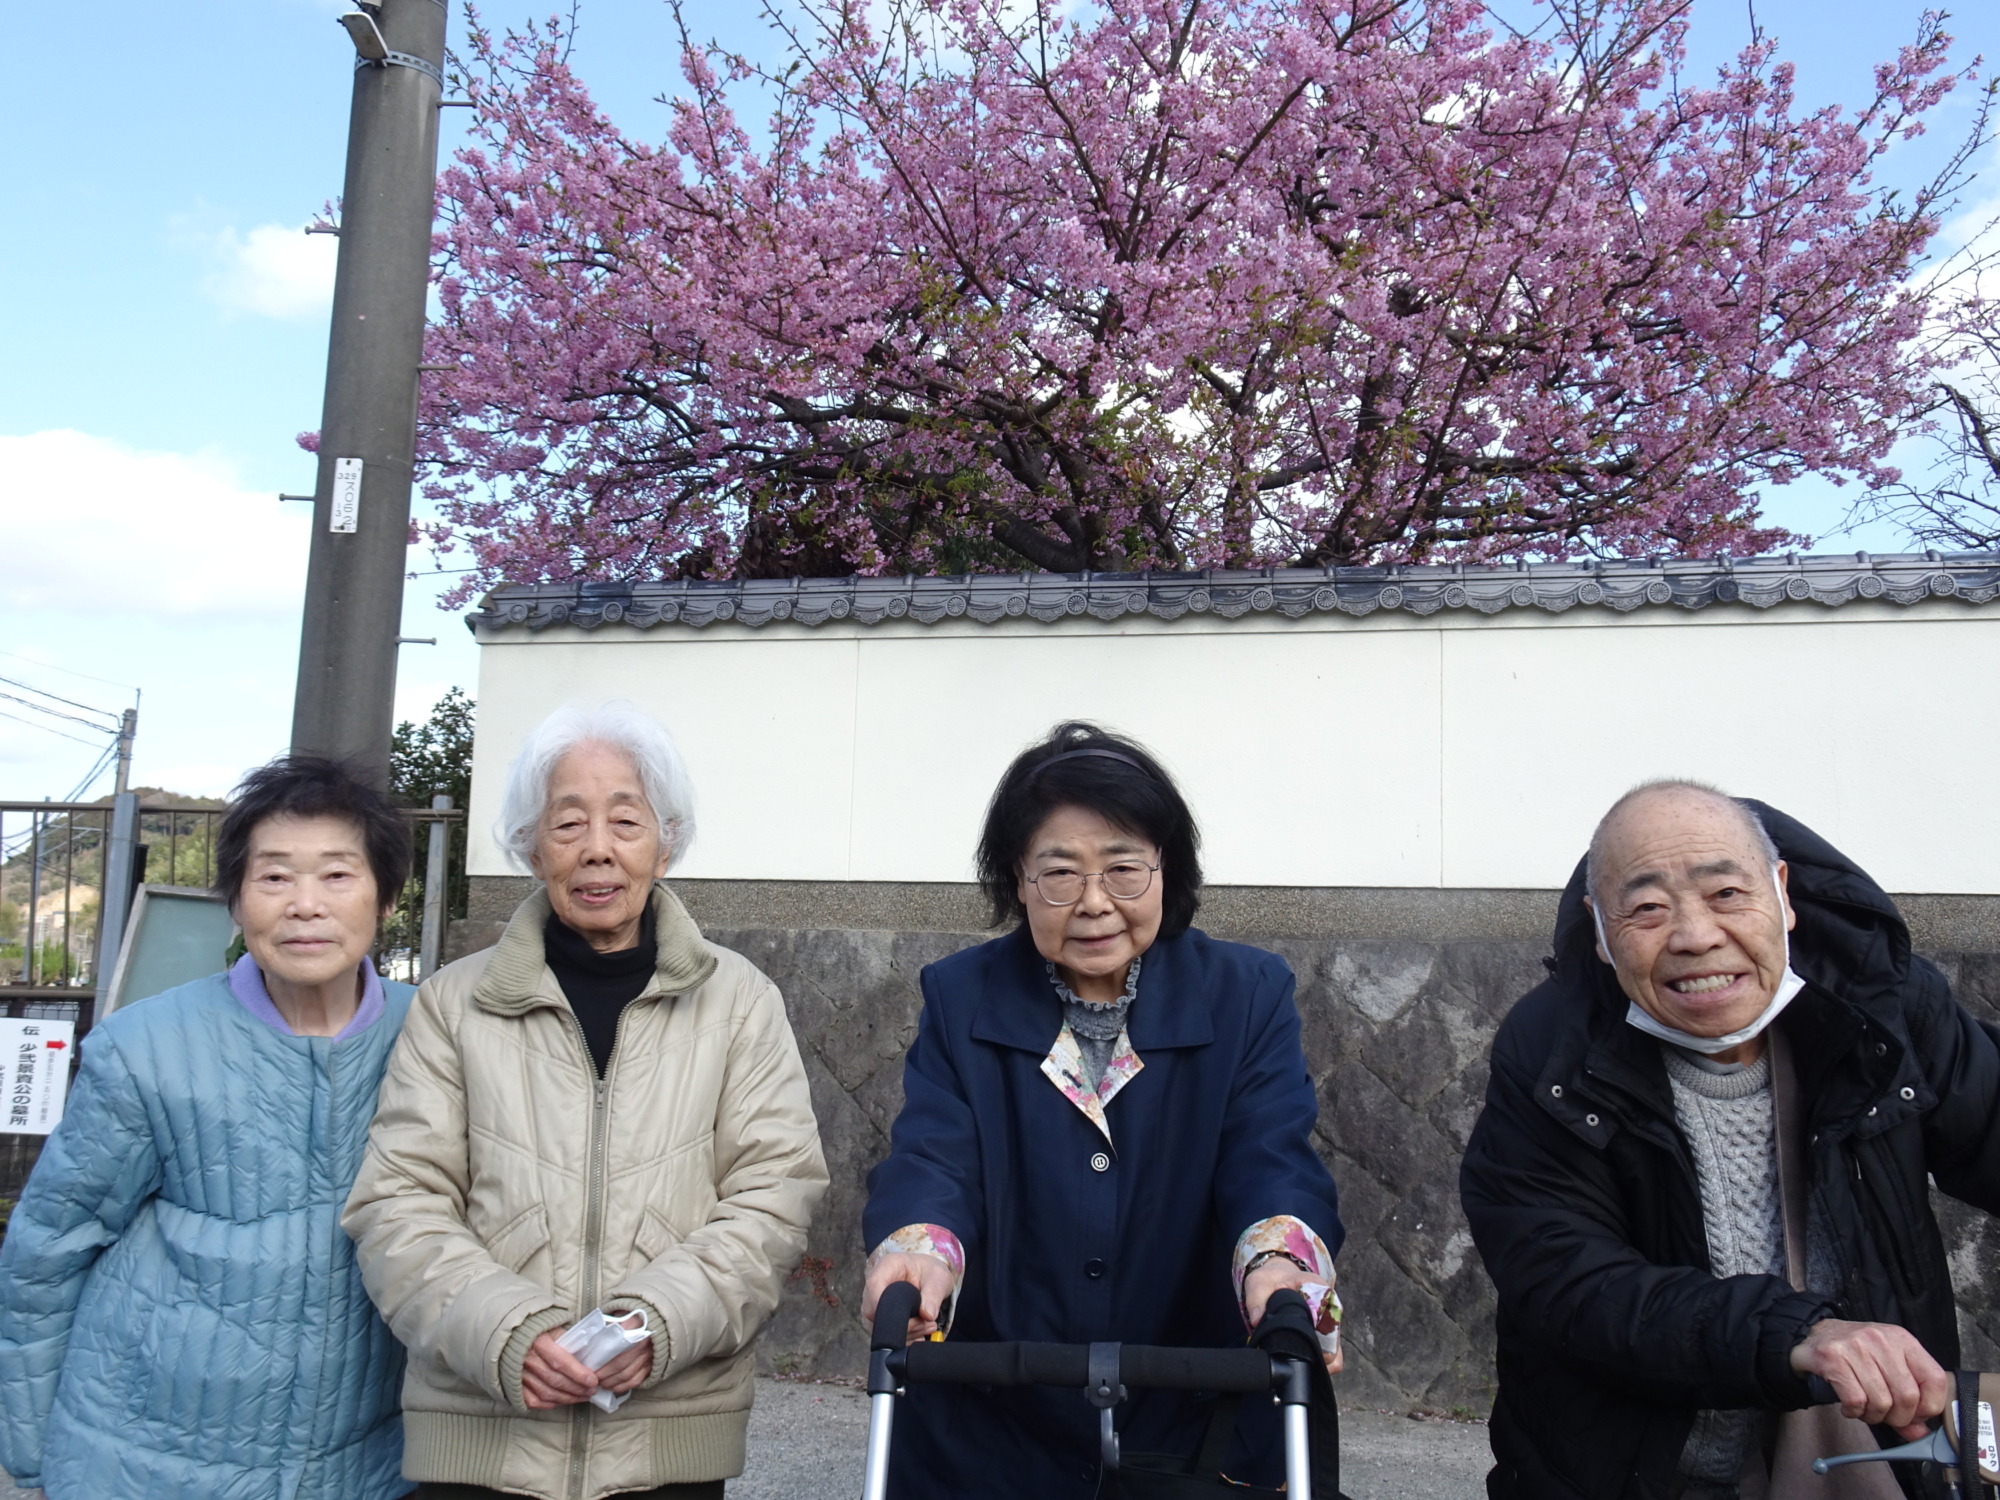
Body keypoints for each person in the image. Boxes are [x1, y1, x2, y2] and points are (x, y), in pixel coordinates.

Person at [1461, 780, 2000, 1500]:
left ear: (1782, 893)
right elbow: (1569, 1281)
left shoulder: (1883, 1005)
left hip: (1871, 1459)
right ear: (1599, 931)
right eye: (1647, 909)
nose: (1696, 935)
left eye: (1726, 894)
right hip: (1631, 1473)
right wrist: (1797, 1334)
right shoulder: (1551, 1050)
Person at [343, 701, 828, 1500]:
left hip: (667, 1444)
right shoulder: (453, 1004)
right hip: (481, 1442)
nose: (597, 848)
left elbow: (774, 1196)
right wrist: (508, 1333)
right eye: (568, 823)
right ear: (532, 847)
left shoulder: (739, 1000)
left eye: (626, 822)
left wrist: (655, 1322)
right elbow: (398, 1203)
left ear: (665, 843)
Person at [860, 721, 1343, 1499]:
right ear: (1018, 880)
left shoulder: (1246, 994)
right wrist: (922, 1251)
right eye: (1059, 873)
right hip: (996, 1414)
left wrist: (1276, 1263)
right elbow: (935, 1156)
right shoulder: (961, 995)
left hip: (1192, 1412)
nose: (1093, 903)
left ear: (1166, 870)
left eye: (1123, 869)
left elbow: (1269, 1155)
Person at [0, 756, 418, 1499]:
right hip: (140, 1459)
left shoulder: (433, 1037)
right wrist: (30, 1452)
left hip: (365, 1465)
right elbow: (47, 1251)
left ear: (385, 899)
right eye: (274, 876)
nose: (305, 905)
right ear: (236, 900)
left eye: (337, 875)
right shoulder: (146, 1047)